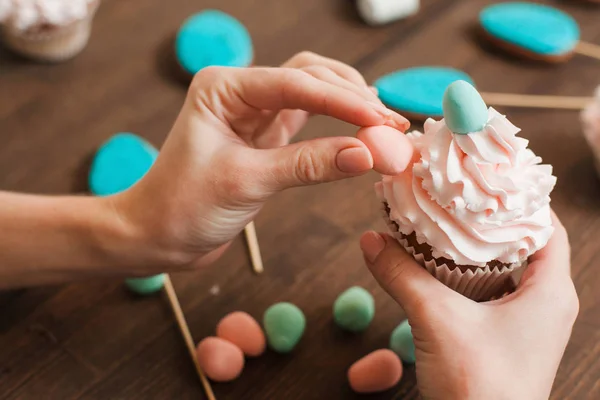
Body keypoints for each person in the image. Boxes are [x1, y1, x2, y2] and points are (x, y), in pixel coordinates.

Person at [0, 52, 578, 399]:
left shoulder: (513, 185)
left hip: (492, 232)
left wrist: (130, 228)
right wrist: (129, 230)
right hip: (461, 223)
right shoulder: (427, 174)